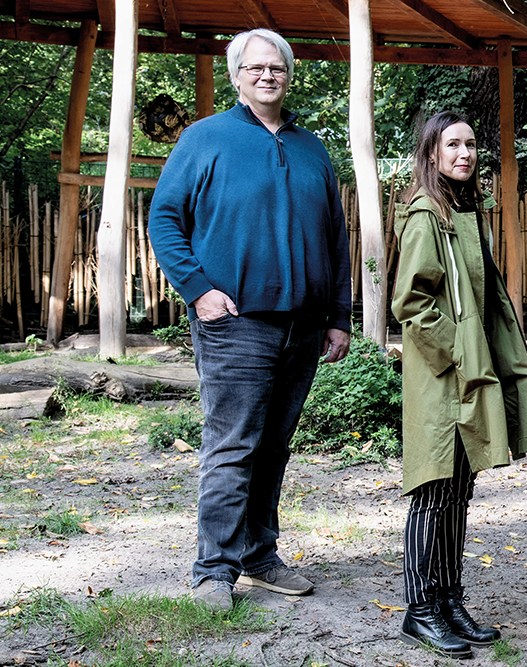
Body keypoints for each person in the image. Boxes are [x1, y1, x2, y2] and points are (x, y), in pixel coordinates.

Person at [147, 28, 352, 612]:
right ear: (237, 75)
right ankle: (213, 570)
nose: (268, 75)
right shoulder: (203, 138)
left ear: (289, 75)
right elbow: (165, 218)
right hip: (235, 321)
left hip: (305, 325)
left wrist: (338, 316)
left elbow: (336, 240)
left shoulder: (312, 148)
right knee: (233, 444)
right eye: (256, 67)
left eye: (278, 67)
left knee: (274, 447)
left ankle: (260, 556)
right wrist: (197, 290)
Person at [391, 111, 527, 658]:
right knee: (433, 490)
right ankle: (420, 609)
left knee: (460, 490)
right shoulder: (424, 216)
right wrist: (458, 355)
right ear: (431, 153)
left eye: (471, 144)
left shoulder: (463, 212)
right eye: (452, 144)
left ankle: (449, 598)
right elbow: (411, 302)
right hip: (442, 376)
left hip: (471, 368)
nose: (465, 153)